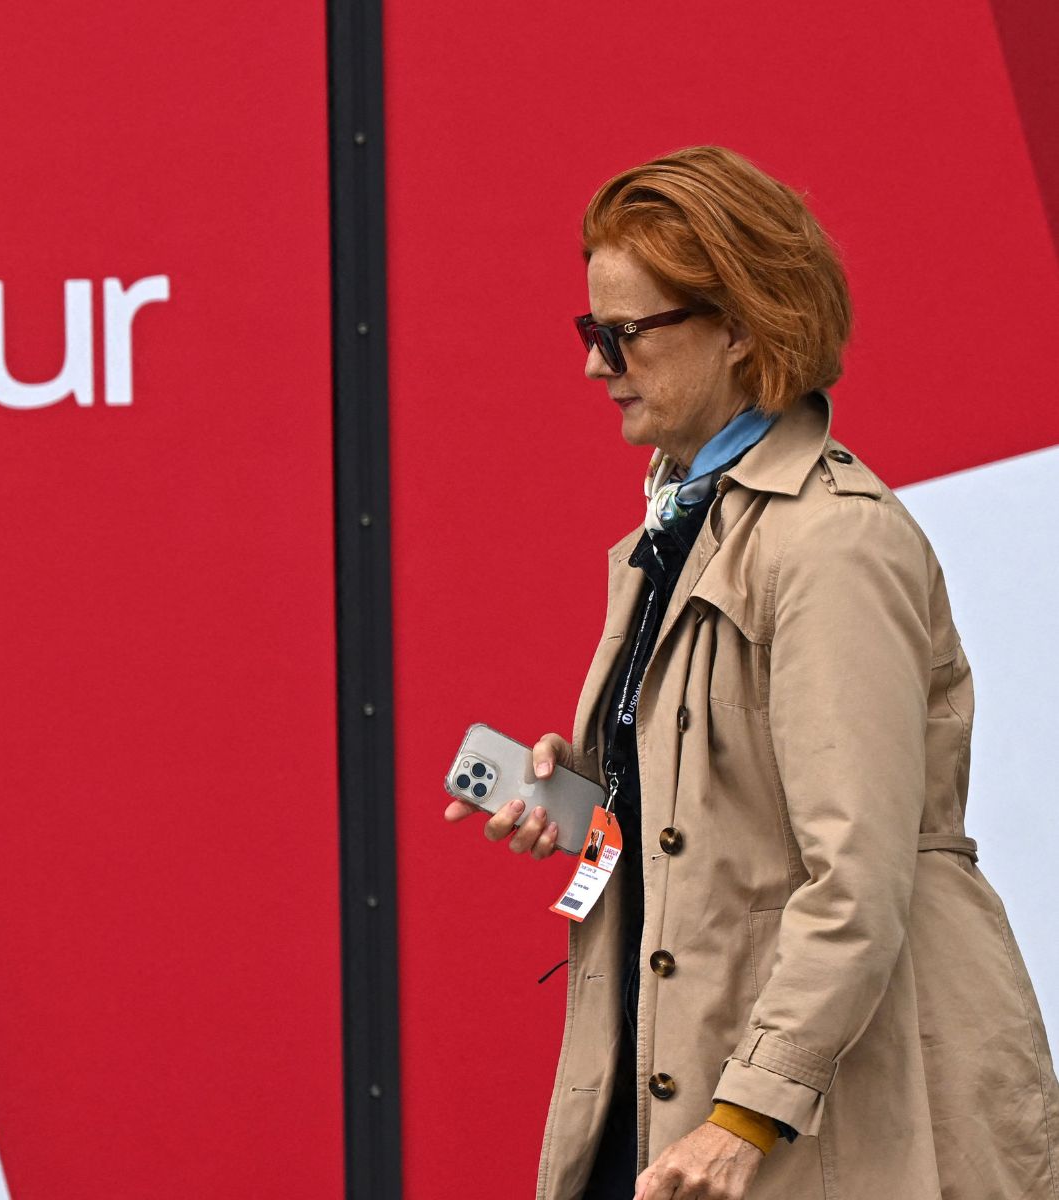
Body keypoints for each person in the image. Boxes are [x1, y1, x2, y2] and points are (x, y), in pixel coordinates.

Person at [445, 146, 1059, 1199]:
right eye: (590, 333)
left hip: (828, 1123)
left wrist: (743, 1117)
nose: (596, 366)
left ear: (737, 326)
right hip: (692, 1097)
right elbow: (698, 845)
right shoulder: (683, 519)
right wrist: (590, 816)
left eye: (621, 335)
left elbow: (856, 878)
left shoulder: (830, 543)